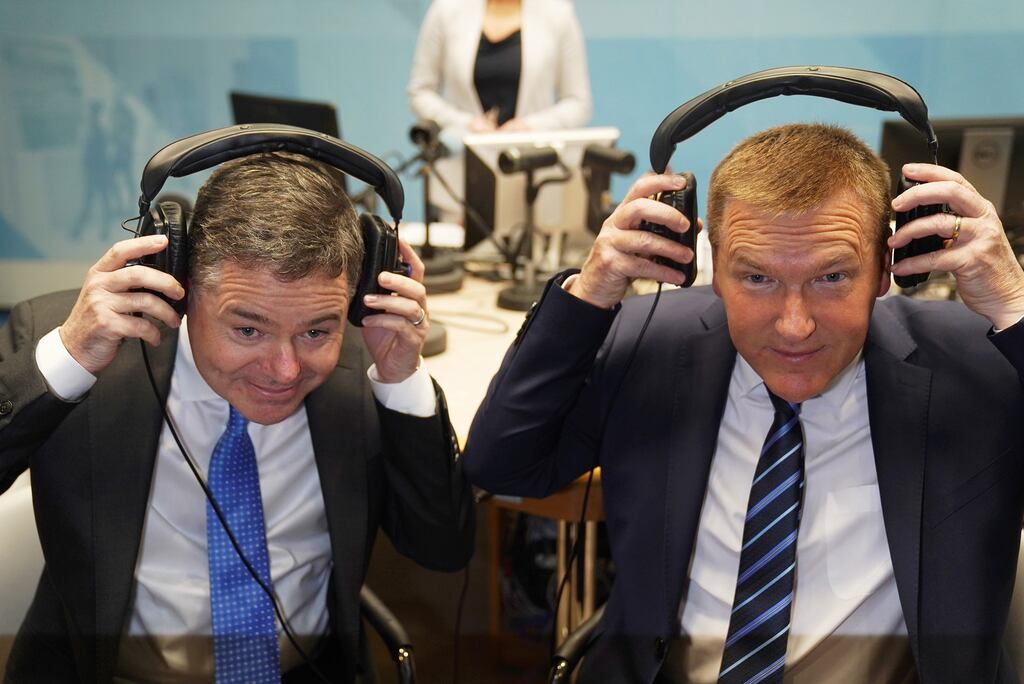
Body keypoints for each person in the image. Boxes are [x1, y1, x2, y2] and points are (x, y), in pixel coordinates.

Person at [463, 123, 1024, 683]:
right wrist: (590, 293)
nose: (794, 325)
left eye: (832, 276)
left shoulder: (975, 361)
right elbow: (504, 465)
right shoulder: (648, 341)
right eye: (756, 278)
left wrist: (1015, 307)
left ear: (885, 267)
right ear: (711, 266)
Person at [0, 151, 475, 682]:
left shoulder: (367, 363)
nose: (284, 369)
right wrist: (70, 359)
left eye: (316, 331)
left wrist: (402, 380)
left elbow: (442, 546)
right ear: (179, 286)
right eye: (248, 330)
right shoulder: (80, 346)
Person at [406, 0, 592, 219]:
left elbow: (578, 103)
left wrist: (530, 126)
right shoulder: (446, 10)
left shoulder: (557, 13)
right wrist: (465, 123)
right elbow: (420, 92)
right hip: (460, 185)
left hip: (532, 182)